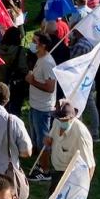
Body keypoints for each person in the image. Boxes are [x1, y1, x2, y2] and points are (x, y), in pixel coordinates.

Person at [42, 101, 95, 196]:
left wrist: (82, 191)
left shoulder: (80, 133)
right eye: (60, 119)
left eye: (65, 120)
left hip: (72, 177)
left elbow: (90, 165)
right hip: (57, 172)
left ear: (72, 118)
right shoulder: (57, 122)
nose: (62, 122)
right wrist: (48, 142)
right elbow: (51, 139)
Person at [26, 31, 57, 182]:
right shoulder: (40, 59)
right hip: (35, 105)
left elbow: (50, 87)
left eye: (34, 41)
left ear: (43, 45)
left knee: (43, 141)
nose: (32, 43)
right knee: (37, 138)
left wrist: (32, 82)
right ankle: (41, 164)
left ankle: (45, 171)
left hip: (43, 108)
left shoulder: (47, 63)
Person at [69, 30, 100, 141]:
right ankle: (95, 132)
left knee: (78, 106)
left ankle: (80, 133)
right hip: (90, 77)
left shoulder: (80, 45)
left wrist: (71, 44)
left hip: (80, 80)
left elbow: (71, 60)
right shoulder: (89, 42)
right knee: (91, 105)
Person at [0, 27, 29, 117]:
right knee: (14, 110)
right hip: (15, 86)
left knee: (0, 108)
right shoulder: (19, 51)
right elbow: (23, 68)